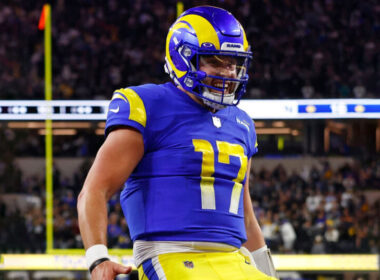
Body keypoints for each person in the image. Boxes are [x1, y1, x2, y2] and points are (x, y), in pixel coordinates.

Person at [78, 6, 278, 280]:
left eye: (233, 63)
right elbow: (95, 189)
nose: (229, 73)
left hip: (234, 260)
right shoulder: (147, 105)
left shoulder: (241, 123)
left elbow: (245, 211)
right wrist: (97, 258)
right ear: (183, 59)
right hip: (172, 254)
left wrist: (267, 271)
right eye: (216, 61)